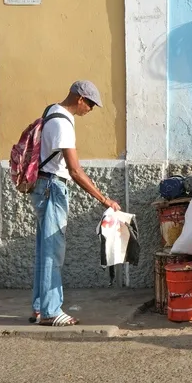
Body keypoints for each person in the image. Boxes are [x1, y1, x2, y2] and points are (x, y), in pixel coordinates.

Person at [31, 81, 122, 327]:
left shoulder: (51, 111)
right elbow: (75, 171)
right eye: (90, 104)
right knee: (53, 251)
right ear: (80, 98)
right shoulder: (63, 122)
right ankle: (51, 311)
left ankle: (40, 307)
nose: (90, 110)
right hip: (53, 187)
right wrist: (105, 199)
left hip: (42, 186)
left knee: (43, 249)